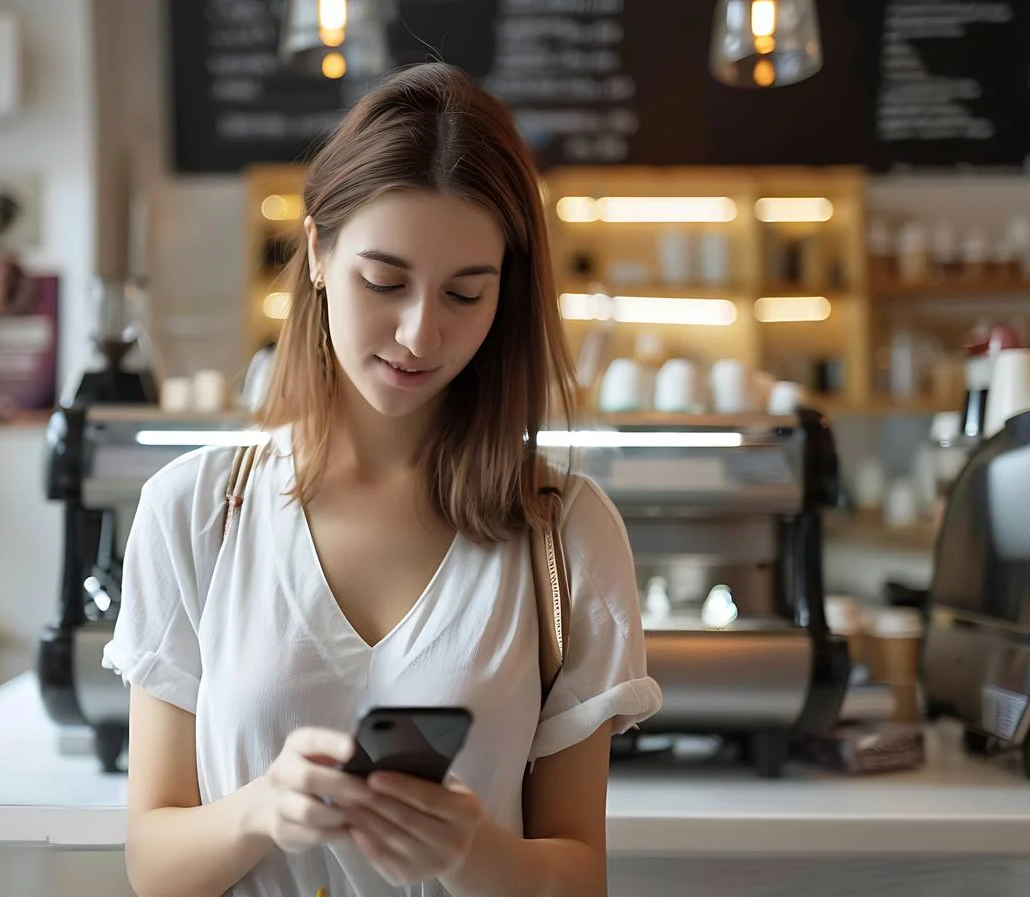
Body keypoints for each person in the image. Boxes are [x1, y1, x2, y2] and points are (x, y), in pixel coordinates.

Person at [104, 62, 660, 897]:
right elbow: (153, 864)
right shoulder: (195, 510)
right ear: (319, 250)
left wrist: (474, 850)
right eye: (384, 281)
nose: (418, 333)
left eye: (466, 294)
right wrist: (262, 808)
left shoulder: (567, 531)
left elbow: (578, 876)